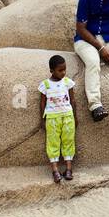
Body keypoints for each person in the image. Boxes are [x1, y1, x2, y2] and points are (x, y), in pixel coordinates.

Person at [38, 55, 77, 184]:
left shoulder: (67, 82)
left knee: (68, 141)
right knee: (53, 143)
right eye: (60, 70)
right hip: (52, 118)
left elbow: (73, 101)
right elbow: (42, 103)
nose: (63, 72)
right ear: (52, 71)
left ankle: (69, 169)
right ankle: (55, 170)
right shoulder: (45, 85)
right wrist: (42, 119)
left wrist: (75, 117)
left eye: (65, 69)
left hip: (67, 117)